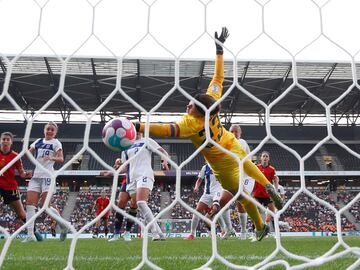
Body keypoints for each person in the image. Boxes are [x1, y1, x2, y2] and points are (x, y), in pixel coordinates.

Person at [134, 27, 282, 241]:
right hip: (230, 143)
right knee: (244, 162)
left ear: (197, 110)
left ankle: (259, 226)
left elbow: (165, 129)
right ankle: (266, 193)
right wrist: (219, 51)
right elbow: (219, 77)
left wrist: (137, 126)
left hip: (219, 162)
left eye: (191, 105)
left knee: (240, 194)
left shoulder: (191, 123)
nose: (188, 105)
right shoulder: (212, 102)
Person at [23, 122, 66, 242]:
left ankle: (63, 226)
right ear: (44, 130)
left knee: (45, 207)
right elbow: (28, 154)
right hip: (36, 175)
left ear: (55, 132)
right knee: (30, 205)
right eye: (48, 129)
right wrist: (25, 145)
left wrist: (51, 158)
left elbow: (61, 159)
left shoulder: (56, 143)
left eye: (52, 130)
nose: (50, 131)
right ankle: (30, 235)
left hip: (48, 175)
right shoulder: (38, 141)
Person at [121, 132, 169, 241]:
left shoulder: (146, 140)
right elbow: (125, 167)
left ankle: (155, 233)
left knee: (141, 202)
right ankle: (160, 234)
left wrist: (164, 161)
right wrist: (115, 169)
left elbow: (163, 151)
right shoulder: (125, 146)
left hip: (145, 174)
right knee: (141, 206)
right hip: (131, 179)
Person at [0, 132, 40, 238]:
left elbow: (21, 173)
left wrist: (26, 174)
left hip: (10, 188)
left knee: (21, 214)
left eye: (7, 139)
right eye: (3, 139)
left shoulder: (15, 156)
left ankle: (34, 232)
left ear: (11, 142)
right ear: (0, 141)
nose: (5, 141)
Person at [185, 163, 235, 240]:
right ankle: (192, 234)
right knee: (197, 211)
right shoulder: (205, 168)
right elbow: (199, 180)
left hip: (218, 192)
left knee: (215, 210)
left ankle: (223, 229)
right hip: (207, 194)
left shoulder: (220, 165)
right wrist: (196, 187)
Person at [229, 124, 255, 240]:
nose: (234, 134)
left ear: (240, 133)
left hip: (247, 177)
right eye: (232, 131)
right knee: (226, 201)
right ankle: (230, 229)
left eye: (236, 132)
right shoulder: (227, 142)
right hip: (236, 177)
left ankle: (244, 231)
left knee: (241, 200)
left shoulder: (242, 142)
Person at [103, 158, 137, 242]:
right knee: (121, 203)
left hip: (138, 181)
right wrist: (114, 169)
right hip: (127, 181)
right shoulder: (127, 153)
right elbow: (123, 168)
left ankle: (127, 232)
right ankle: (116, 233)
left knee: (134, 204)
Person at [252, 151, 279, 233]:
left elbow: (275, 179)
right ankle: (256, 231)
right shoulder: (256, 167)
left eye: (266, 156)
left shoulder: (272, 169)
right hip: (257, 194)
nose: (265, 158)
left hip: (268, 195)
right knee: (256, 213)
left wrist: (276, 191)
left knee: (273, 212)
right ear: (261, 158)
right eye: (263, 156)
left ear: (268, 158)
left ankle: (276, 232)